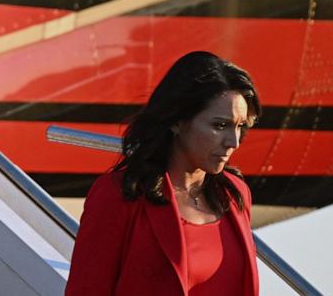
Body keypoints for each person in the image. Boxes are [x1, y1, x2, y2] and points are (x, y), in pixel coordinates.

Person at [66, 51, 262, 295]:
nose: (233, 142)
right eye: (219, 125)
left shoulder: (235, 195)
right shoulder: (119, 194)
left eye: (240, 126)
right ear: (177, 121)